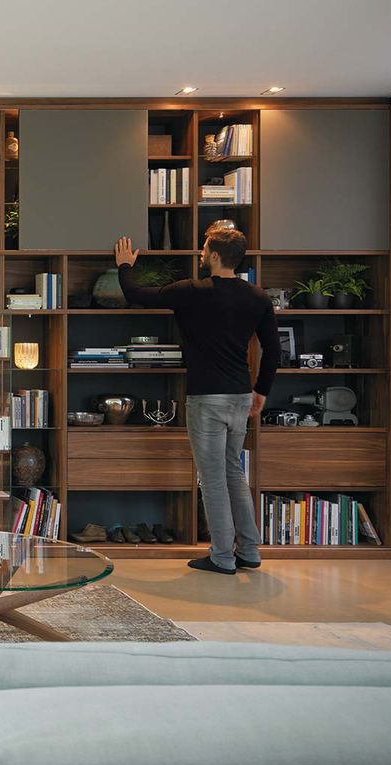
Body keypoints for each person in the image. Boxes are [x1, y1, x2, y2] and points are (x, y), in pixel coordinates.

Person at [114, 227, 281, 574]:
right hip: (239, 395)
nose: (201, 254)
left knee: (213, 479)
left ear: (215, 256)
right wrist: (260, 391)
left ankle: (222, 557)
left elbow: (136, 294)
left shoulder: (191, 291)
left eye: (205, 249)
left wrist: (125, 265)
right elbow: (273, 351)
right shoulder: (258, 297)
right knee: (234, 473)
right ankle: (249, 552)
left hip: (207, 397)